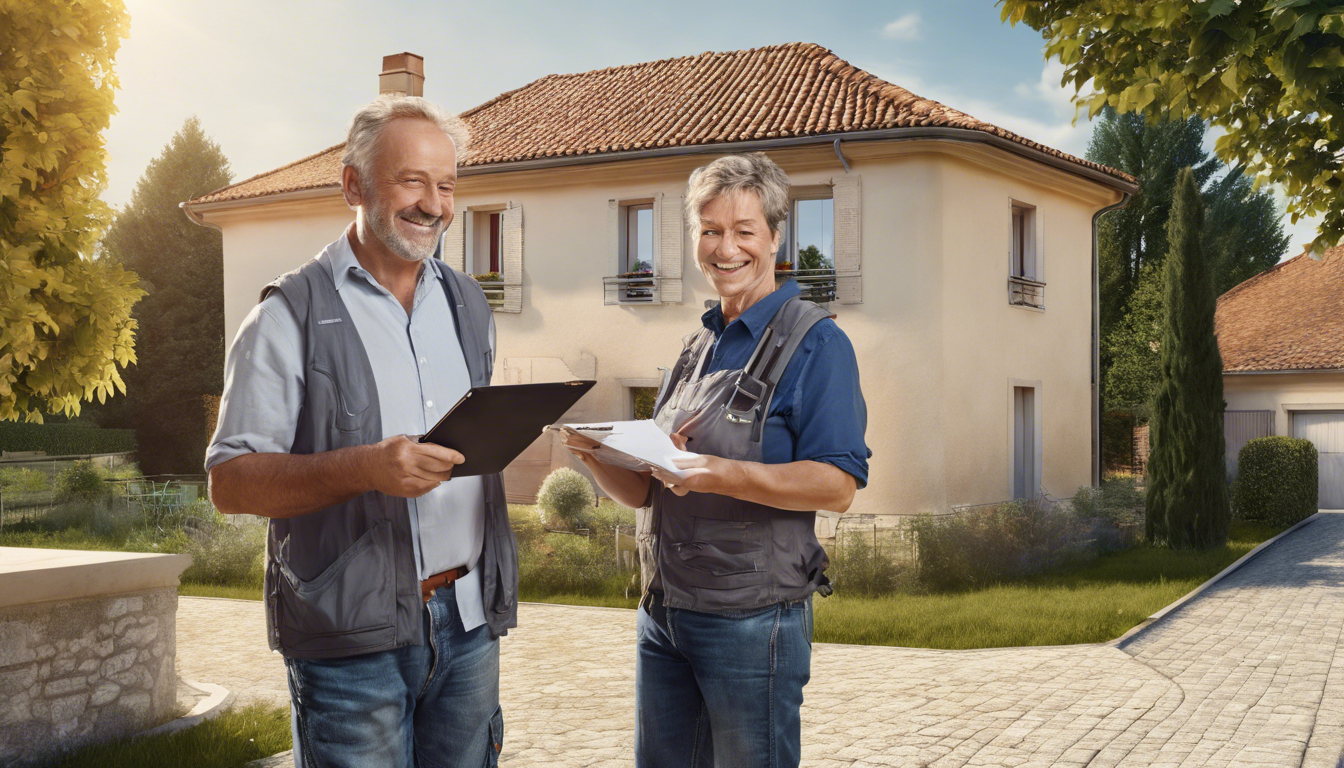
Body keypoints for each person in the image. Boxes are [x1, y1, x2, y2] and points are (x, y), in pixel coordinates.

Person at [206, 95, 514, 768]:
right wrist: (364, 469)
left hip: (468, 625)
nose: (433, 204)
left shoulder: (467, 302)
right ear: (353, 183)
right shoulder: (290, 314)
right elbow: (229, 483)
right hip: (352, 646)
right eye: (412, 181)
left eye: (446, 185)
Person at [563, 153, 870, 768]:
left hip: (752, 625)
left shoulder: (819, 344)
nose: (725, 248)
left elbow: (838, 486)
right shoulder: (698, 344)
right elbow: (651, 488)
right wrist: (594, 455)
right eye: (710, 231)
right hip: (665, 615)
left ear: (776, 237)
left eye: (743, 231)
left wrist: (729, 475)